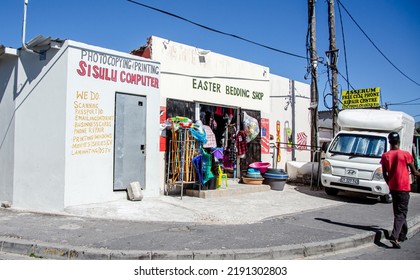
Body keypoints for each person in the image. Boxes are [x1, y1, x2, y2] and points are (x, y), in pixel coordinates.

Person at [380, 132, 420, 248]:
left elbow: (384, 173)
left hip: (393, 187)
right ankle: (395, 236)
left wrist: (390, 183)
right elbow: (414, 172)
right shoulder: (406, 154)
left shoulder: (385, 156)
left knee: (398, 212)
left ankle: (402, 234)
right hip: (403, 187)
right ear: (399, 142)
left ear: (389, 142)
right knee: (401, 212)